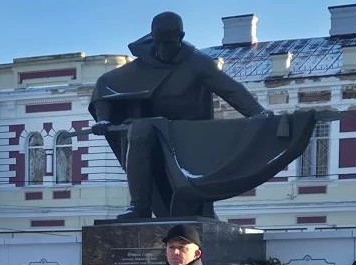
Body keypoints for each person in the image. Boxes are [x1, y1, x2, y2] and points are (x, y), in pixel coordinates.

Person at [89, 11, 268, 219]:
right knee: (139, 130)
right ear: (152, 38)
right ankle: (139, 206)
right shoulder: (146, 62)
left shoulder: (197, 63)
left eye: (168, 43)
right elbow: (106, 85)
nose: (162, 50)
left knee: (193, 196)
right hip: (157, 131)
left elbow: (231, 90)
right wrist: (103, 118)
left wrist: (259, 113)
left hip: (191, 134)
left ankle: (201, 207)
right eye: (158, 43)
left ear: (180, 38)